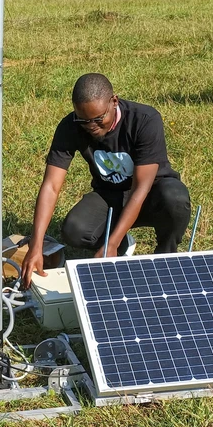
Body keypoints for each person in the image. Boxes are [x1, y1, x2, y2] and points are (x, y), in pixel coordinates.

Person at [21, 73, 191, 286]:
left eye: (99, 119)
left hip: (152, 195)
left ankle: (164, 258)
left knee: (175, 198)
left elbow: (140, 189)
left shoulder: (145, 120)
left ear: (114, 101)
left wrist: (112, 241)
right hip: (110, 195)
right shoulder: (69, 126)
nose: (91, 126)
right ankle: (119, 246)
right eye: (83, 120)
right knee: (74, 230)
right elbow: (51, 186)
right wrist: (36, 246)